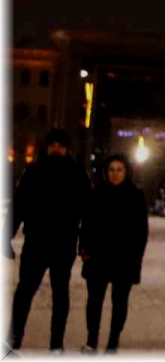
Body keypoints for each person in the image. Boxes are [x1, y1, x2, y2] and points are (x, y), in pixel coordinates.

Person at [6, 128, 93, 352]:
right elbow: (19, 206)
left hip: (63, 243)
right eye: (53, 144)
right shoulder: (33, 172)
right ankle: (13, 337)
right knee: (25, 290)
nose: (56, 148)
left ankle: (56, 343)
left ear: (67, 148)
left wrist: (86, 243)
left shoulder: (77, 174)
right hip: (36, 241)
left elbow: (89, 213)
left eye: (60, 145)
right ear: (47, 146)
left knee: (60, 294)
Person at [79, 154, 149, 353]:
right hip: (97, 256)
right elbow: (87, 224)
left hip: (124, 258)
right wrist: (84, 249)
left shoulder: (135, 196)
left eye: (119, 169)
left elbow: (141, 230)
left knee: (119, 302)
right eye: (111, 170)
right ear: (105, 172)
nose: (115, 174)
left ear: (126, 172)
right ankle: (92, 340)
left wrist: (136, 256)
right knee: (94, 301)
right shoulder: (97, 194)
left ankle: (113, 342)